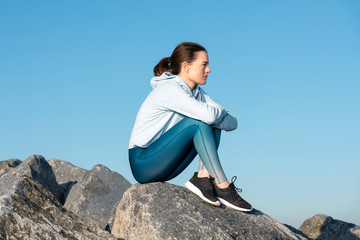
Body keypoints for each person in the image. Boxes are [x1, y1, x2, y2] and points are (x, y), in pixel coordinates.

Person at [128, 42, 252, 212]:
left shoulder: (198, 93)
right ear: (186, 67)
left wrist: (215, 115)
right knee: (199, 122)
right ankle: (222, 185)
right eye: (204, 65)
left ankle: (203, 177)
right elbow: (211, 115)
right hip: (143, 161)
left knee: (212, 123)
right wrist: (217, 114)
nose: (209, 70)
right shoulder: (169, 88)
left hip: (167, 162)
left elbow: (233, 122)